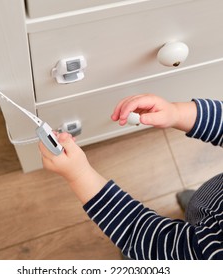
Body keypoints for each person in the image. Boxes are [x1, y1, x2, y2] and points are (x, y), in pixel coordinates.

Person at [39, 94, 223, 260]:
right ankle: (198, 214)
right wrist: (177, 113)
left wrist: (78, 174)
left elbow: (143, 236)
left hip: (183, 249)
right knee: (199, 209)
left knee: (154, 248)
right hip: (212, 205)